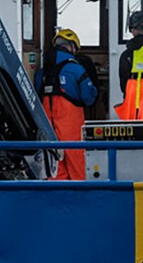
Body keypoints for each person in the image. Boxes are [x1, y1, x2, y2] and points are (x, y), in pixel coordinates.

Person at [36, 29, 98, 180]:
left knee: (54, 166)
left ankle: (58, 198)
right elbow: (88, 98)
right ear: (71, 47)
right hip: (70, 127)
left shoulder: (41, 72)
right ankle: (82, 197)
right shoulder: (76, 69)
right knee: (78, 164)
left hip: (48, 126)